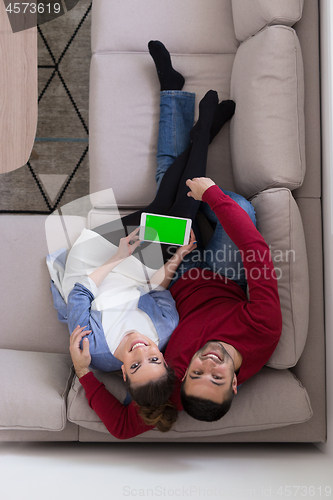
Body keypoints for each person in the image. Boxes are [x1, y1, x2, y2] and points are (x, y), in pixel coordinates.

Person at [68, 41, 283, 438]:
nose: (208, 362)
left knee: (169, 203)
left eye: (195, 373)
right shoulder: (264, 332)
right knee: (237, 207)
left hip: (171, 271)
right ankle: (202, 139)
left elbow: (122, 427)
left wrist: (84, 374)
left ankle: (195, 125)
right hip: (224, 277)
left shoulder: (170, 384)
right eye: (216, 376)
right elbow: (256, 252)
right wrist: (214, 197)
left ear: (179, 381)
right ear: (235, 383)